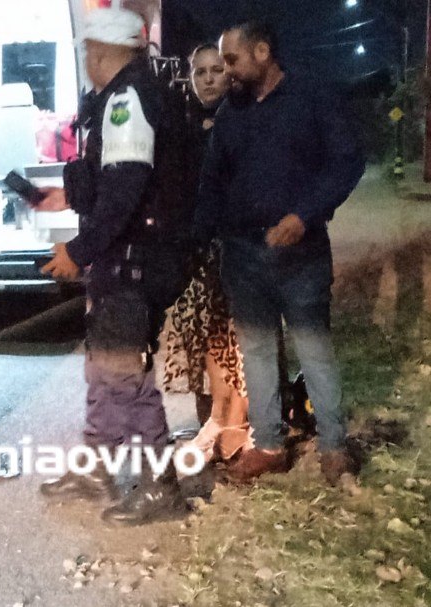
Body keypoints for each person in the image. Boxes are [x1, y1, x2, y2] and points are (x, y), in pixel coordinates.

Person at [33, 7, 191, 525]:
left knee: (126, 374)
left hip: (135, 261)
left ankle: (160, 486)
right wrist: (68, 193)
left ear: (103, 53)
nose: (85, 62)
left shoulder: (125, 100)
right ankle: (97, 467)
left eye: (86, 53)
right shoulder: (120, 97)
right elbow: (111, 176)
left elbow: (124, 191)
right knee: (103, 370)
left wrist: (78, 250)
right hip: (124, 259)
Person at [195, 22, 365, 485]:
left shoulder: (311, 98)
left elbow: (346, 162)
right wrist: (200, 237)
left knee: (314, 349)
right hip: (243, 255)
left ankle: (334, 446)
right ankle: (269, 445)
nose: (226, 70)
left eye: (232, 59)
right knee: (257, 351)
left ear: (263, 52)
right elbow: (213, 181)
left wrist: (305, 215)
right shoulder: (233, 112)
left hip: (302, 253)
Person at [160, 43, 252, 462]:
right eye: (201, 72)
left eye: (217, 70)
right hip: (197, 249)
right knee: (212, 338)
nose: (209, 78)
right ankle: (217, 417)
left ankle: (238, 424)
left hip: (234, 245)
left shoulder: (242, 117)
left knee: (238, 338)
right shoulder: (183, 122)